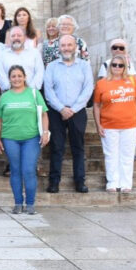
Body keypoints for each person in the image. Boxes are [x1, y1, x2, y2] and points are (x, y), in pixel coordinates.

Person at [0, 65, 50, 215]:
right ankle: (18, 203)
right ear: (9, 79)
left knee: (29, 170)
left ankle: (30, 203)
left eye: (19, 75)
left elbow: (44, 114)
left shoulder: (34, 93)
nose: (17, 79)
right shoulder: (4, 97)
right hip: (10, 138)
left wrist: (45, 132)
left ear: (25, 77)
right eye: (13, 76)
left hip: (31, 138)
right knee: (15, 170)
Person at [44, 35, 94, 193]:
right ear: (59, 47)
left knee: (78, 147)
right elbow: (48, 90)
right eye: (63, 45)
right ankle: (54, 182)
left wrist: (74, 108)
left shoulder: (84, 66)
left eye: (69, 45)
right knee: (56, 147)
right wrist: (61, 108)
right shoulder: (51, 66)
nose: (66, 48)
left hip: (77, 111)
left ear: (75, 47)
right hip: (56, 111)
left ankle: (80, 181)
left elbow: (88, 89)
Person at [93, 55, 136, 193]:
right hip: (109, 125)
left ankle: (126, 184)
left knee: (127, 155)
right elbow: (97, 105)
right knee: (111, 154)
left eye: (120, 65)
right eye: (114, 65)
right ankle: (112, 182)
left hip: (130, 124)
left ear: (125, 67)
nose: (117, 67)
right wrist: (98, 124)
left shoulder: (132, 80)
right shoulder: (102, 83)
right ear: (110, 67)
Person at [0, 26, 44, 91]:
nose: (16, 38)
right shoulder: (2, 55)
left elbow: (40, 72)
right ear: (9, 38)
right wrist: (11, 89)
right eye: (13, 36)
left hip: (31, 93)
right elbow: (0, 75)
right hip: (10, 94)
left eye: (19, 35)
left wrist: (30, 90)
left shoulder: (35, 53)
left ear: (25, 37)